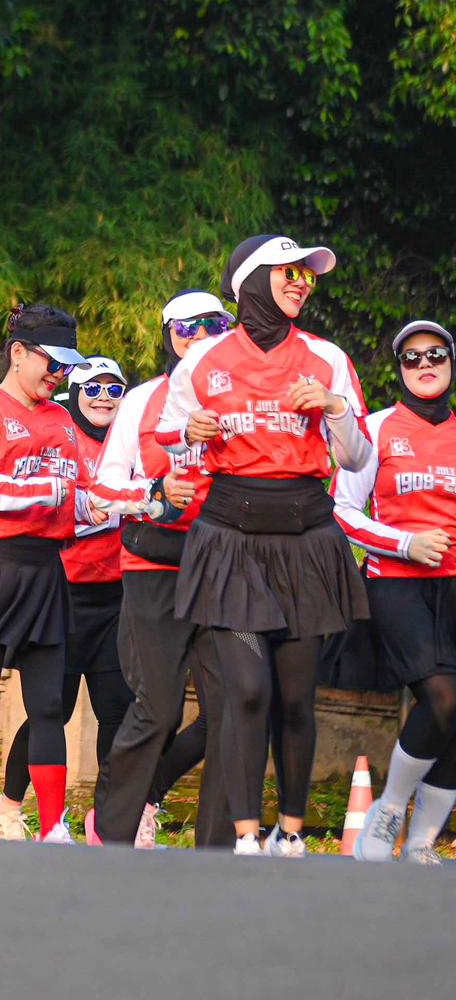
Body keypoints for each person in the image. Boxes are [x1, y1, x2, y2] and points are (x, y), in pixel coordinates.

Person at [156, 234, 371, 857]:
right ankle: (246, 835)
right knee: (247, 689)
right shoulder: (203, 360)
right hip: (231, 540)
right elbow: (176, 449)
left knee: (298, 696)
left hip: (307, 538)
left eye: (308, 273)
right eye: (289, 270)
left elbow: (358, 456)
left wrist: (333, 408)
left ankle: (292, 832)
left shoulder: (327, 358)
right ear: (251, 280)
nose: (302, 280)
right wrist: (190, 437)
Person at [331, 320, 456, 863]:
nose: (425, 364)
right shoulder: (377, 429)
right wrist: (405, 542)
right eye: (412, 358)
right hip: (397, 583)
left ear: (451, 361)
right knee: (444, 696)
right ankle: (388, 808)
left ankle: (420, 842)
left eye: (435, 354)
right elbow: (342, 511)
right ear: (400, 369)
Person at [86, 290, 235, 848]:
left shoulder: (239, 398)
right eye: (188, 327)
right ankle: (113, 829)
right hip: (154, 562)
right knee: (160, 707)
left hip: (222, 565)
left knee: (232, 706)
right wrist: (154, 492)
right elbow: (101, 486)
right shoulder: (144, 398)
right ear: (170, 334)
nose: (200, 335)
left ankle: (218, 848)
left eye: (215, 324)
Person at [1, 356, 135, 839]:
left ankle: (107, 821)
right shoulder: (61, 433)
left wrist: (136, 501)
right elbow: (59, 504)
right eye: (93, 388)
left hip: (113, 596)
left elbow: (119, 499)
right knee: (48, 707)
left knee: (117, 709)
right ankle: (11, 806)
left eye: (114, 389)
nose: (104, 397)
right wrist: (104, 506)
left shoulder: (128, 442)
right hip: (60, 590)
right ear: (72, 394)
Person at [0, 303, 90, 843]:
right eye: (51, 363)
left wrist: (126, 502)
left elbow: (78, 491)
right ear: (17, 353)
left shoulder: (60, 417)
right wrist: (45, 491)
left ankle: (54, 827)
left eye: (66, 367)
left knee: (50, 704)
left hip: (46, 572)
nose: (59, 377)